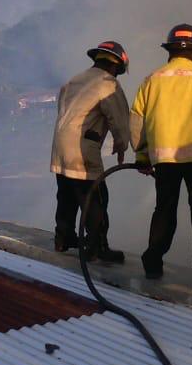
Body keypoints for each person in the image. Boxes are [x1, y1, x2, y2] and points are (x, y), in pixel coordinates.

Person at [130, 24, 192, 289]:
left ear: (169, 51)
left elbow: (136, 120)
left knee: (165, 210)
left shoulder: (152, 80)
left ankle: (153, 261)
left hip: (164, 159)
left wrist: (142, 154)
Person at [50, 40, 131, 263]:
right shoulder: (108, 84)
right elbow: (119, 119)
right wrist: (121, 144)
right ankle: (97, 247)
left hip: (60, 147)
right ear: (117, 66)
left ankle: (63, 239)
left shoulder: (74, 80)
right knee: (96, 197)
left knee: (66, 194)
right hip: (82, 149)